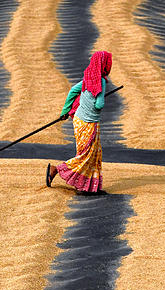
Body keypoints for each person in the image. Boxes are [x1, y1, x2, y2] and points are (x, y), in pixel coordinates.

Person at [46, 50, 113, 194]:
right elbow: (99, 105)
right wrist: (99, 99)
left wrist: (65, 111)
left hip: (79, 121)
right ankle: (56, 170)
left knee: (91, 153)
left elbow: (72, 91)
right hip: (89, 123)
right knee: (88, 155)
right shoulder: (100, 81)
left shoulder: (87, 79)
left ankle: (87, 187)